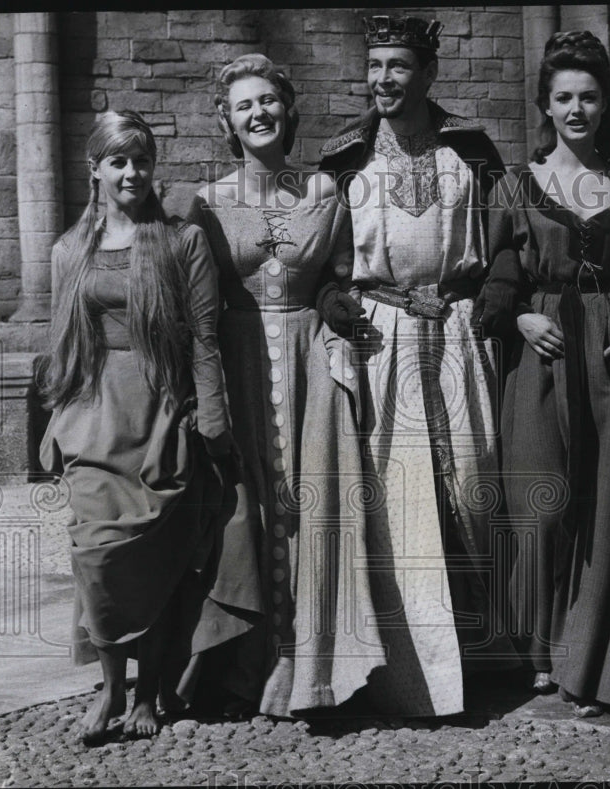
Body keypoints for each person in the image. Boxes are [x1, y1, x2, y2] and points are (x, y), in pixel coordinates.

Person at [317, 15, 517, 717]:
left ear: (429, 73)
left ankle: (493, 651)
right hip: (383, 337)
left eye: (398, 66)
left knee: (472, 477)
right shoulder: (344, 159)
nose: (384, 80)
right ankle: (407, 668)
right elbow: (318, 257)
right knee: (399, 494)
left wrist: (496, 292)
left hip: (459, 332)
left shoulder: (473, 150)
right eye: (375, 66)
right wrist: (331, 298)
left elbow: (506, 242)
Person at [475, 31, 610, 717]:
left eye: (589, 96)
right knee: (540, 502)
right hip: (546, 352)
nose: (577, 109)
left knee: (606, 502)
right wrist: (517, 320)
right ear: (546, 105)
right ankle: (538, 648)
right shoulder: (515, 187)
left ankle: (590, 655)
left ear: (606, 104)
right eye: (564, 97)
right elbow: (499, 273)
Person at [185, 53, 386, 718]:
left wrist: (340, 315)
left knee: (314, 502)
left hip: (310, 361)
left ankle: (312, 666)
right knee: (247, 508)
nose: (259, 114)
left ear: (286, 109)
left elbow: (342, 278)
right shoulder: (208, 205)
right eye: (244, 106)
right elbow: (199, 306)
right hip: (241, 364)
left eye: (268, 101)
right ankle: (244, 662)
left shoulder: (326, 193)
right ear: (228, 122)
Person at [39, 111, 233, 744]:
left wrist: (212, 420)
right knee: (96, 556)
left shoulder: (183, 242)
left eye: (142, 159)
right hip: (93, 418)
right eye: (118, 161)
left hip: (160, 414)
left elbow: (206, 340)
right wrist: (51, 422)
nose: (132, 172)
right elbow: (64, 344)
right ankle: (110, 688)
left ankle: (147, 694)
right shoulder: (70, 250)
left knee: (157, 556)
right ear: (94, 168)